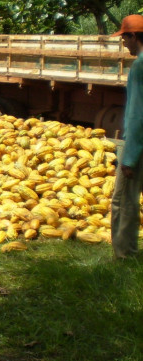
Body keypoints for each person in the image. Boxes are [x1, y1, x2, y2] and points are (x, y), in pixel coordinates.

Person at [111, 15, 143, 259]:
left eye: (124, 38)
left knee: (124, 201)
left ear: (133, 36)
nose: (124, 44)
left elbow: (136, 115)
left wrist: (129, 156)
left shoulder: (140, 66)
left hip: (139, 147)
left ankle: (125, 256)